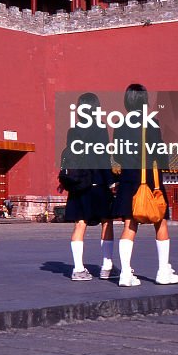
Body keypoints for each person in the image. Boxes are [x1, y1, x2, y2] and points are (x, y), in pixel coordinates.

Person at [110, 84, 178, 286]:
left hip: (128, 179)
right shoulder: (152, 123)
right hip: (149, 178)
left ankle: (125, 274)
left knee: (129, 225)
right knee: (160, 222)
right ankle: (162, 272)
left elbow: (118, 156)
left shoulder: (120, 126)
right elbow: (159, 152)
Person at [61, 93, 115, 281]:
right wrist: (110, 181)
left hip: (78, 184)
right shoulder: (100, 129)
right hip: (97, 183)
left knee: (80, 224)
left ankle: (77, 269)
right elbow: (103, 158)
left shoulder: (73, 131)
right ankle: (107, 267)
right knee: (106, 221)